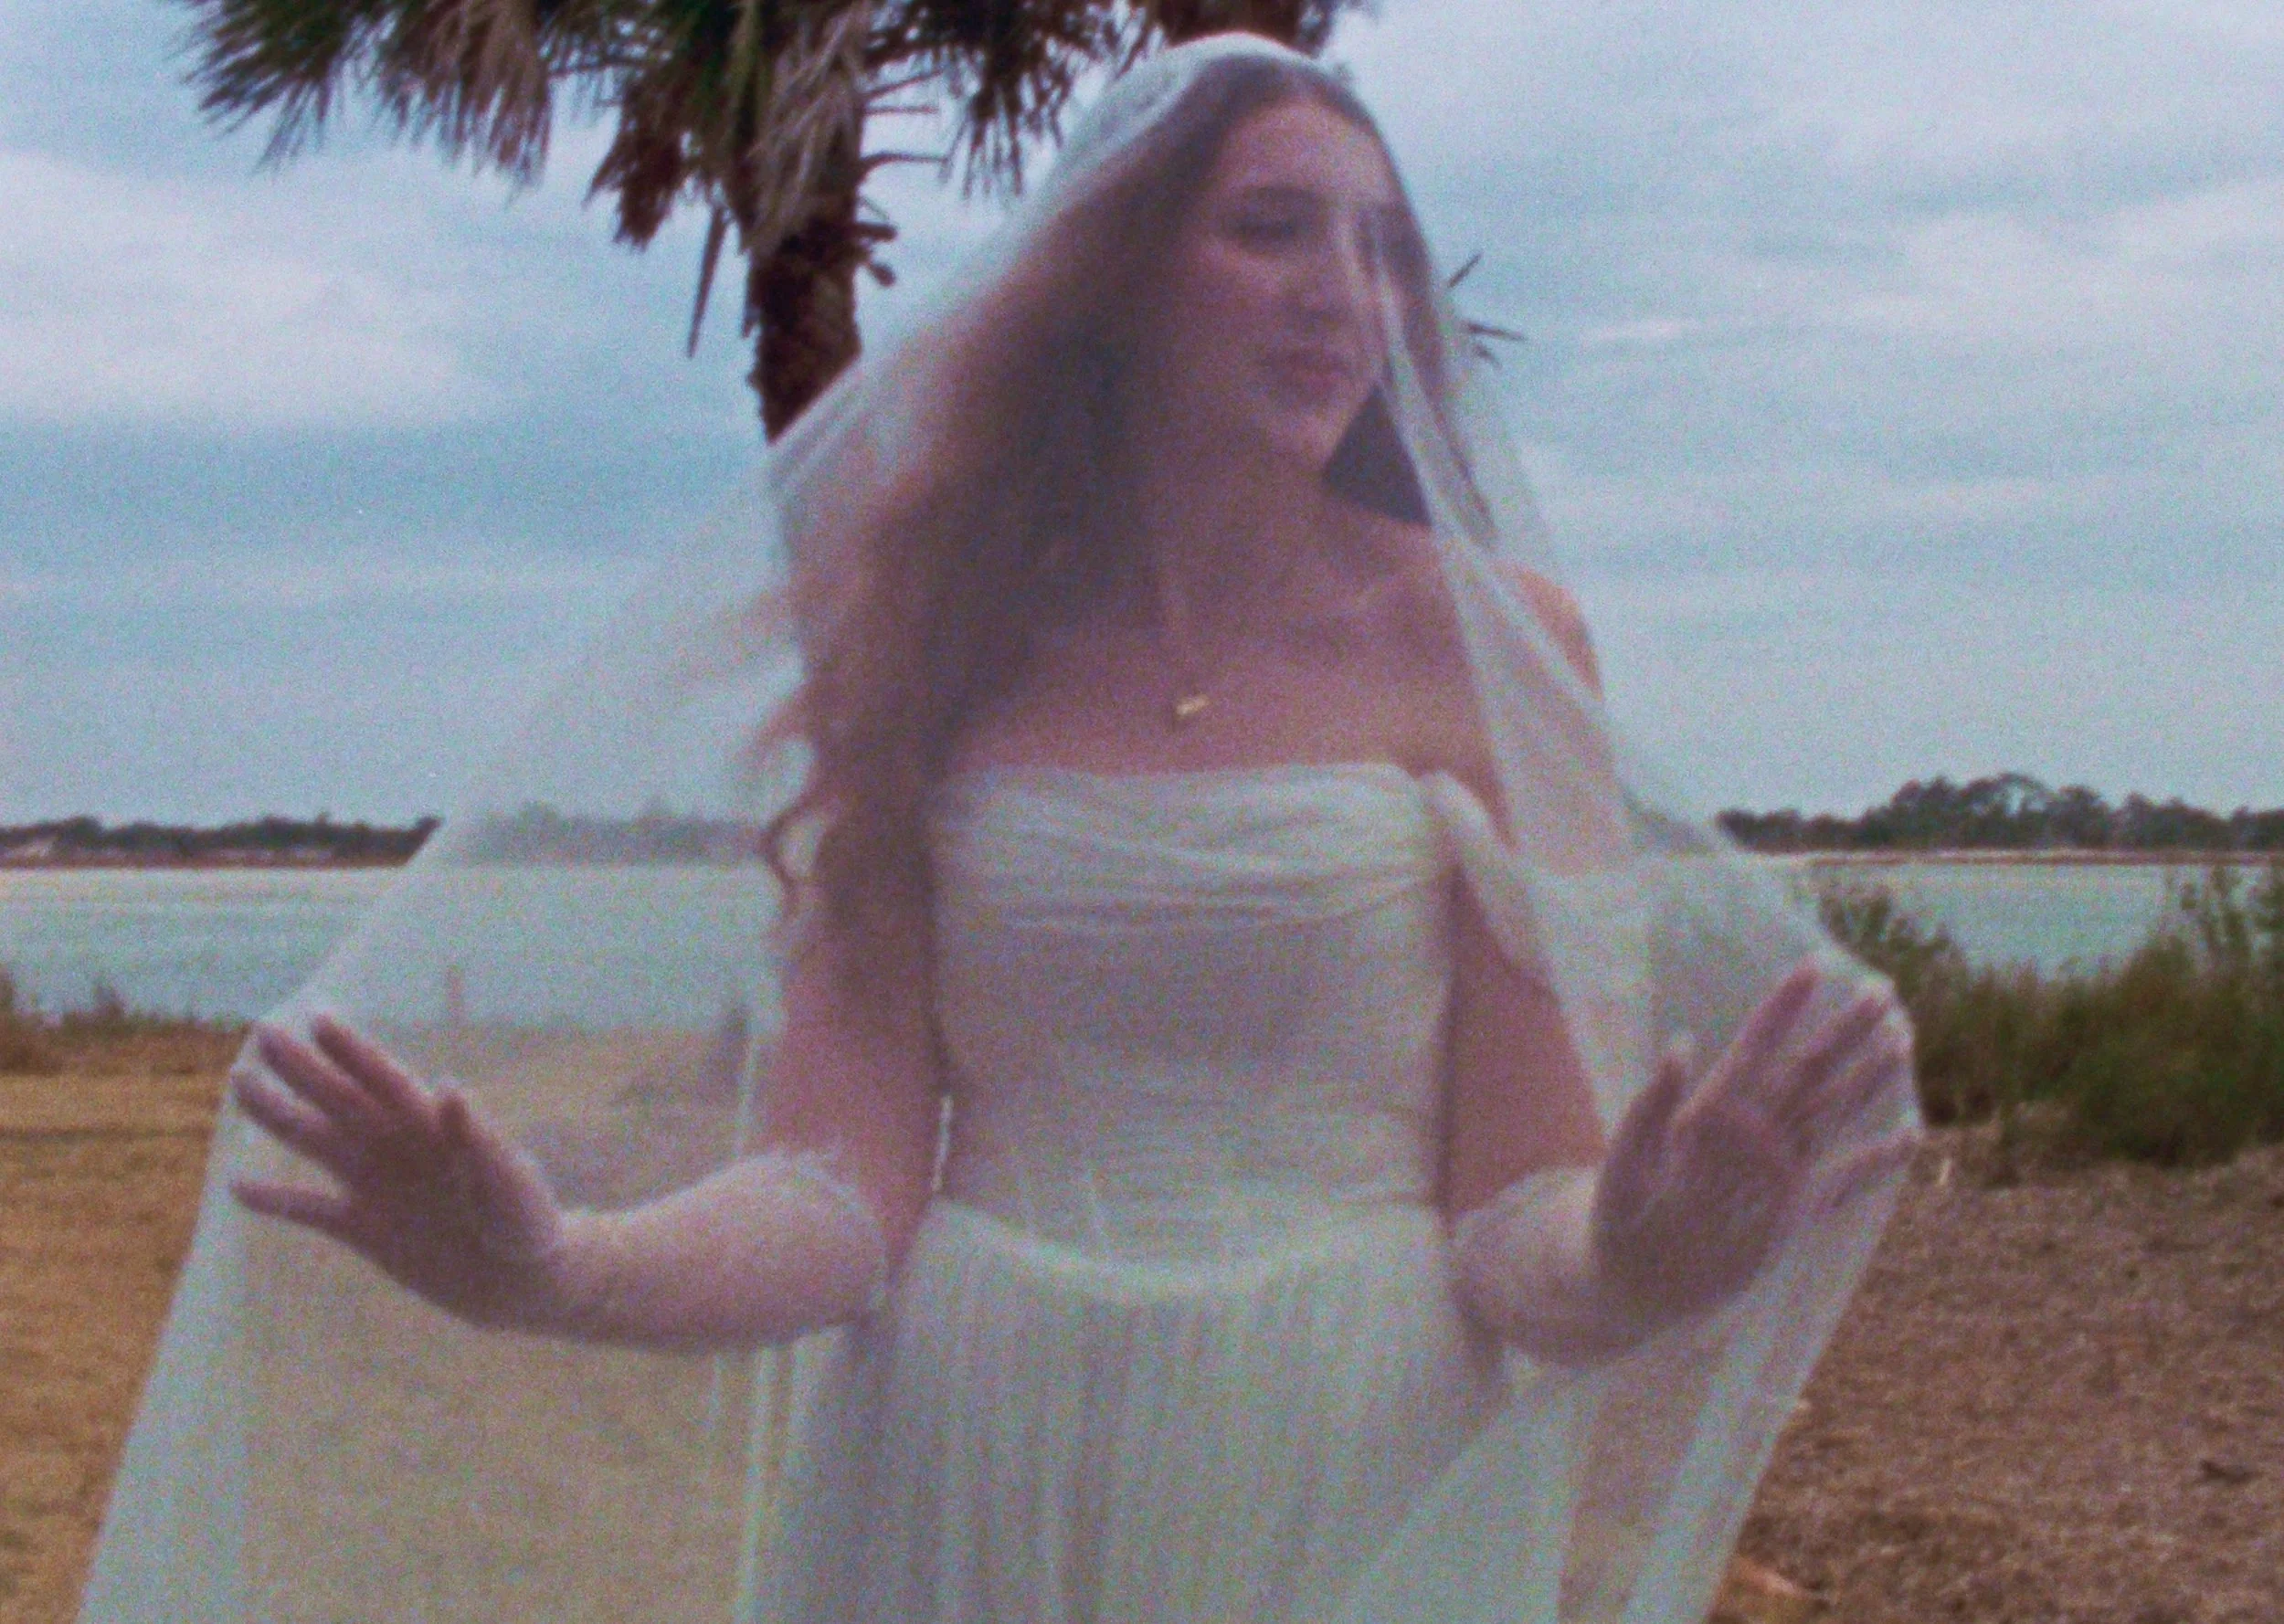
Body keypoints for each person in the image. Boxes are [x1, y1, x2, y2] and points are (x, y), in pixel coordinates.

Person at [81, 34, 1918, 1624]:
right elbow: (836, 1187)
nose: (1342, 293)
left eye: (1377, 250)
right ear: (1111, 284)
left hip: (1338, 1449)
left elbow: (1513, 1218)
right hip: (964, 1446)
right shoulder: (933, 620)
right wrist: (559, 1266)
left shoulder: (1495, 641)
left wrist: (1640, 1258)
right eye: (1269, 228)